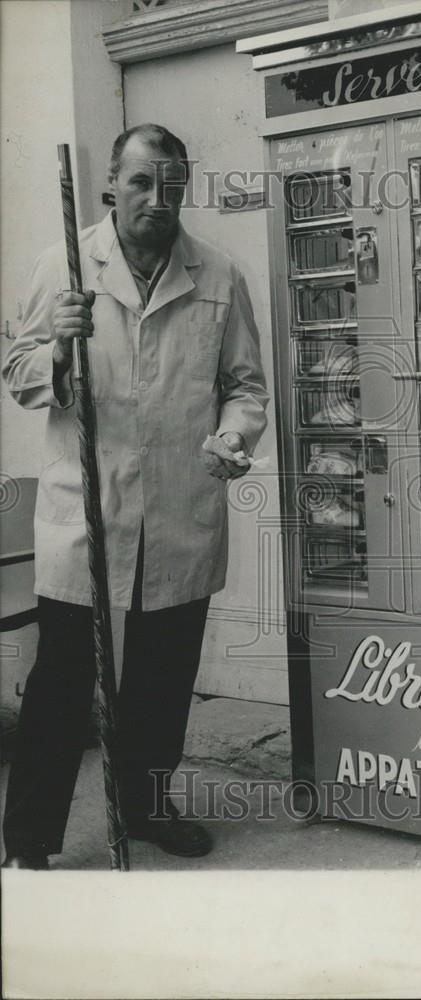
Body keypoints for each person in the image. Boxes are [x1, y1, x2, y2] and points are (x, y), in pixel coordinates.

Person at [2, 124, 269, 868]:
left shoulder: (218, 273)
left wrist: (235, 435)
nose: (159, 197)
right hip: (85, 508)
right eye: (143, 181)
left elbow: (244, 387)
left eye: (173, 182)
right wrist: (56, 343)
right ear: (110, 188)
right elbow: (19, 376)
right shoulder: (62, 263)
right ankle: (28, 841)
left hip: (182, 506)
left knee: (162, 676)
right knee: (62, 679)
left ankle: (148, 808)